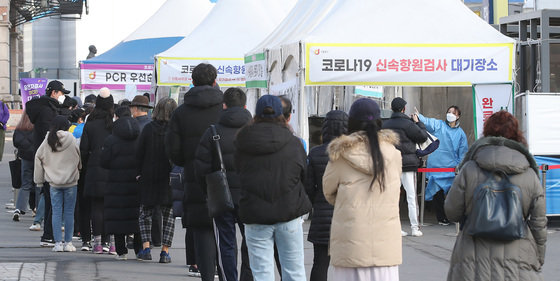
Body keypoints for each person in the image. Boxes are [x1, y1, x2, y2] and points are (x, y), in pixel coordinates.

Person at [444, 111, 547, 281]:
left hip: (472, 260)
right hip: (519, 261)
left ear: (487, 133)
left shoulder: (469, 169)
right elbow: (539, 223)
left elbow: (452, 212)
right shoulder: (529, 174)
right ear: (516, 134)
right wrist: (538, 256)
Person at [323, 98, 402, 280]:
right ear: (379, 122)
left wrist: (349, 201)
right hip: (385, 249)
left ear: (351, 123)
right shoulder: (394, 155)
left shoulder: (340, 155)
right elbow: (395, 193)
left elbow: (328, 191)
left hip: (349, 246)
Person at [234, 95, 311, 281]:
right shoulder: (294, 142)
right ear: (282, 115)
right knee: (294, 271)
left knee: (261, 273)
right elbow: (303, 175)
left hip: (255, 214)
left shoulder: (242, 141)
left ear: (255, 114)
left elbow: (239, 172)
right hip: (289, 212)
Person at [165, 63, 224, 280]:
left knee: (201, 228)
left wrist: (189, 161)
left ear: (192, 82)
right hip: (224, 177)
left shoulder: (181, 112)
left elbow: (173, 149)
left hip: (194, 176)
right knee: (224, 228)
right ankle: (224, 271)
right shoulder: (224, 108)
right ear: (215, 81)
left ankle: (206, 273)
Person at [195, 88, 253, 281]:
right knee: (251, 242)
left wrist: (209, 192)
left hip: (221, 197)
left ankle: (230, 278)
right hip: (251, 197)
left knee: (226, 243)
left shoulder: (212, 132)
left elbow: (200, 168)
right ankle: (248, 277)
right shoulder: (254, 131)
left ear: (224, 105)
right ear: (245, 105)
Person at [305, 110, 348, 281]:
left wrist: (317, 201)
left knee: (320, 263)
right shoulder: (352, 154)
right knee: (347, 265)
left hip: (321, 217)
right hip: (347, 218)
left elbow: (308, 187)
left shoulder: (315, 153)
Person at [26, 80, 69, 247]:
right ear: (54, 93)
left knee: (51, 197)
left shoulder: (45, 108)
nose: (62, 97)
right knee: (53, 199)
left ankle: (49, 234)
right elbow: (50, 136)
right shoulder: (47, 111)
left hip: (45, 159)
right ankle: (49, 235)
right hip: (50, 160)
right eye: (61, 93)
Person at [136, 98, 178, 263]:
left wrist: (138, 173)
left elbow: (139, 153)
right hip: (169, 178)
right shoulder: (175, 131)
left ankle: (146, 248)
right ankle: (165, 252)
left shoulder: (148, 129)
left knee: (145, 213)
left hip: (149, 176)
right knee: (169, 215)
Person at [34, 116, 81, 252]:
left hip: (53, 182)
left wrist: (39, 180)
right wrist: (78, 169)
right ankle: (68, 242)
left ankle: (57, 243)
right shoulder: (71, 139)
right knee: (69, 212)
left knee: (56, 212)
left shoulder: (48, 139)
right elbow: (78, 157)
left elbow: (38, 157)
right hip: (71, 181)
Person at [100, 106, 142, 260]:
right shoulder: (139, 137)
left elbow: (103, 162)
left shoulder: (111, 139)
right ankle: (139, 250)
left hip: (115, 183)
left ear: (116, 117)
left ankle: (121, 251)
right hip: (135, 182)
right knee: (136, 216)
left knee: (118, 216)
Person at [382, 97, 428, 237]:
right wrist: (418, 122)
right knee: (411, 196)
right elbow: (423, 137)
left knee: (393, 197)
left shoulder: (385, 124)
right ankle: (415, 228)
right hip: (408, 164)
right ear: (403, 109)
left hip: (390, 164)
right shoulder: (408, 124)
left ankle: (396, 228)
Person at [417, 106, 468, 225]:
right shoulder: (439, 125)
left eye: (453, 113)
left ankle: (453, 216)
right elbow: (429, 122)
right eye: (448, 112)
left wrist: (460, 165)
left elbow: (463, 152)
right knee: (437, 192)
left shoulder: (460, 134)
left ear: (458, 116)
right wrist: (419, 116)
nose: (450, 114)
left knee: (453, 193)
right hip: (436, 166)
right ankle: (441, 217)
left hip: (451, 168)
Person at [80, 87, 114, 254]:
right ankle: (108, 241)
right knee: (109, 206)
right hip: (111, 170)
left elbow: (83, 150)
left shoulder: (90, 124)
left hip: (93, 169)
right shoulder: (112, 125)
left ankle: (97, 242)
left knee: (96, 207)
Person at [13, 110, 37, 222]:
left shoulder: (20, 127)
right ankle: (36, 208)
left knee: (25, 184)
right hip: (36, 157)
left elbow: (16, 142)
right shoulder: (37, 127)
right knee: (38, 184)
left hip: (25, 157)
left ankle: (19, 208)